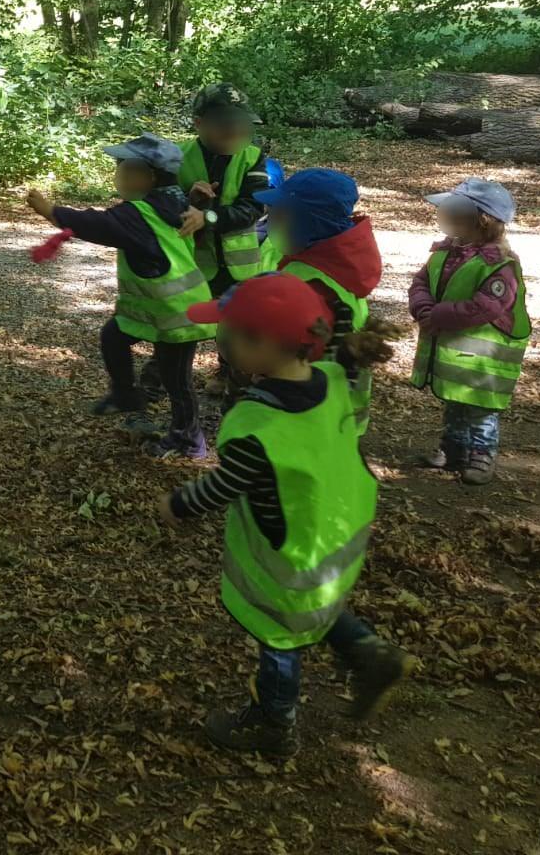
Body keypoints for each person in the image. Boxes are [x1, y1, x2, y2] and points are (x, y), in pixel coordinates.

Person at [158, 273, 415, 756]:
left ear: (263, 345)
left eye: (229, 334)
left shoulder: (260, 424)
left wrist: (177, 504)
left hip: (290, 549)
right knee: (314, 605)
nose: (222, 341)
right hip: (336, 533)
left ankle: (274, 725)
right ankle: (369, 652)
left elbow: (223, 486)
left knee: (280, 633)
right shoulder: (333, 379)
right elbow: (335, 367)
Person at [27, 134, 215, 460]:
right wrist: (199, 201)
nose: (118, 175)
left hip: (179, 314)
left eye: (124, 168)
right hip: (160, 310)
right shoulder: (173, 202)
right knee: (114, 335)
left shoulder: (140, 213)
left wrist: (51, 211)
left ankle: (189, 440)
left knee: (177, 381)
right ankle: (126, 395)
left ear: (149, 176)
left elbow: (98, 224)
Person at [408, 178, 528, 485]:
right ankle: (453, 449)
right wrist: (423, 308)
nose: (444, 216)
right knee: (454, 401)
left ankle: (482, 454)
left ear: (480, 221)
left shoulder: (498, 264)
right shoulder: (445, 251)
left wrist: (437, 315)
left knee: (479, 409)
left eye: (453, 212)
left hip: (482, 361)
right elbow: (421, 281)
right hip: (454, 356)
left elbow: (486, 306)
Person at [255, 168, 383, 435]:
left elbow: (297, 349)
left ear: (309, 223)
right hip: (338, 407)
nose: (272, 223)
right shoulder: (342, 263)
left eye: (279, 216)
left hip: (308, 412)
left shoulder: (311, 282)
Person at [178, 84, 274, 393]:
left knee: (237, 323)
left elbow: (252, 207)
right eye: (223, 124)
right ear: (199, 123)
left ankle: (232, 376)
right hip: (195, 261)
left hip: (240, 264)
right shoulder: (178, 157)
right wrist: (187, 200)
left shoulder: (253, 157)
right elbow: (161, 204)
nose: (233, 131)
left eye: (240, 124)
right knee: (188, 317)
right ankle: (172, 373)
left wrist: (207, 217)